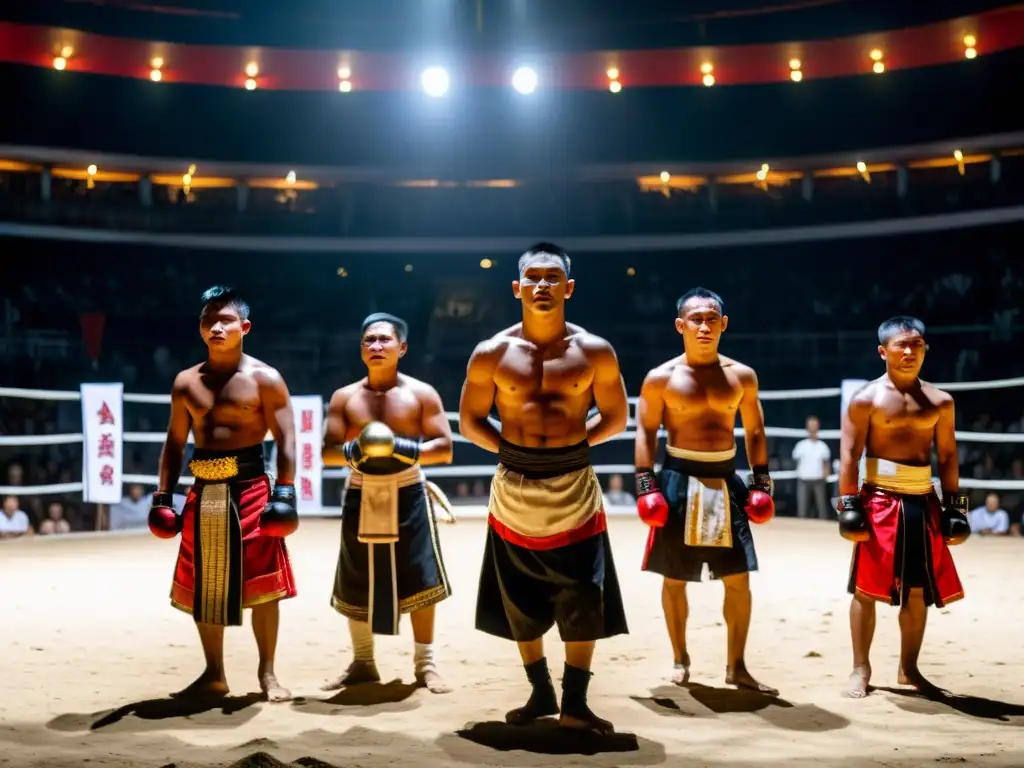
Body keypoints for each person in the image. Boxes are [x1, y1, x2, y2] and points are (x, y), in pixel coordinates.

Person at [460, 243, 630, 734]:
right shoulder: (491, 352)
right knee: (519, 594)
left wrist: (574, 446)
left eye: (551, 277)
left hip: (575, 484)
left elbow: (617, 417)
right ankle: (540, 693)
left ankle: (575, 703)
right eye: (532, 277)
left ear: (568, 288)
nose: (541, 285)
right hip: (512, 485)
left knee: (583, 593)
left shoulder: (595, 351)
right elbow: (470, 420)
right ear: (516, 288)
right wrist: (509, 452)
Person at [150, 286, 299, 702]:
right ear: (200, 327)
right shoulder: (185, 383)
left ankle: (268, 673)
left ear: (244, 327)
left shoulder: (265, 379)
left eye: (226, 319)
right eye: (208, 320)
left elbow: (287, 438)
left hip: (253, 489)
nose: (216, 326)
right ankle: (214, 673)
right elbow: (174, 444)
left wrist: (285, 492)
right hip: (203, 492)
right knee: (204, 583)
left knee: (263, 582)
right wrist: (164, 497)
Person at [634, 287, 777, 694]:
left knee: (738, 579)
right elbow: (644, 431)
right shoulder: (661, 378)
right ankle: (679, 659)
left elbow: (755, 431)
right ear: (680, 325)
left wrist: (761, 483)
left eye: (711, 319)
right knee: (674, 577)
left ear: (723, 324)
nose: (703, 326)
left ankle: (737, 666)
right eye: (695, 319)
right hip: (678, 476)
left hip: (725, 478)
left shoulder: (741, 376)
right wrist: (646, 484)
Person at [321, 312, 455, 694]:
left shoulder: (421, 393)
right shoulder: (345, 396)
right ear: (361, 348)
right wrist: (358, 448)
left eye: (384, 340)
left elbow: (444, 448)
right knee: (356, 576)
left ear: (403, 347)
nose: (376, 347)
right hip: (362, 490)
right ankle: (363, 662)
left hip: (408, 489)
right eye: (369, 341)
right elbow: (328, 452)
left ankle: (425, 663)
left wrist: (399, 448)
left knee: (420, 576)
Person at [836, 316, 969, 699]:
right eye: (901, 345)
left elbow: (947, 454)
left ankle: (908, 668)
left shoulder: (941, 401)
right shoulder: (866, 398)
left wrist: (955, 507)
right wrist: (848, 505)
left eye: (917, 344)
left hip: (923, 499)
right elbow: (849, 454)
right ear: (883, 352)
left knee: (916, 591)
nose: (910, 352)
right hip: (878, 499)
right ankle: (860, 668)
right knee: (866, 590)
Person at [792, 416, 832, 519]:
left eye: (814, 425)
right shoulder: (801, 445)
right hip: (803, 479)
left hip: (818, 479)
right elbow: (795, 460)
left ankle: (823, 528)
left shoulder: (822, 446)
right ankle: (800, 530)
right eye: (811, 425)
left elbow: (826, 462)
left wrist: (826, 472)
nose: (812, 427)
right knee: (802, 507)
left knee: (821, 507)